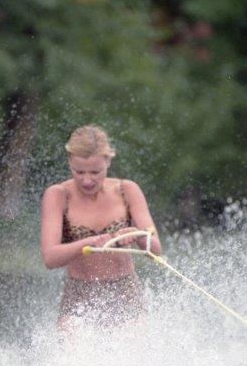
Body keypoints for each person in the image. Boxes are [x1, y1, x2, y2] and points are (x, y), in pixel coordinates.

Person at [41, 125, 162, 328]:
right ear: (70, 163)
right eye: (79, 172)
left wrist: (138, 234)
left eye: (95, 172)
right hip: (79, 292)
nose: (87, 180)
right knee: (72, 338)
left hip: (125, 289)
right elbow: (50, 258)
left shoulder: (127, 190)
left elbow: (156, 250)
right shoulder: (58, 195)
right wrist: (88, 243)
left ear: (108, 162)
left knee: (135, 338)